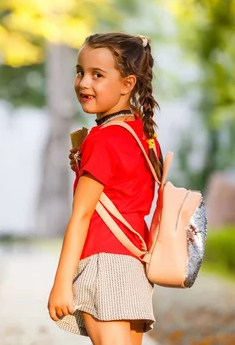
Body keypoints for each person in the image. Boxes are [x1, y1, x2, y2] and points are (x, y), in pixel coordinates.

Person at [48, 32, 163, 345]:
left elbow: (82, 215)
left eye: (97, 75)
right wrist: (83, 163)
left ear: (127, 84)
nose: (84, 83)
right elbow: (125, 190)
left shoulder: (101, 139)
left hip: (104, 265)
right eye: (80, 72)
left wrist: (61, 282)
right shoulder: (144, 133)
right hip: (134, 265)